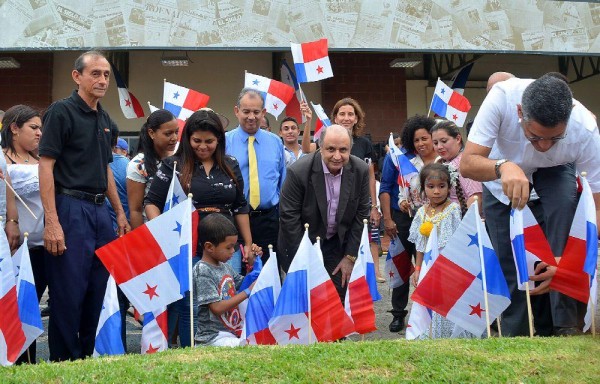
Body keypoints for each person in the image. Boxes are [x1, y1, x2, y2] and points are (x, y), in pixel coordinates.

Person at [460, 73, 600, 336]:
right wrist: (504, 167)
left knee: (562, 232)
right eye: (535, 136)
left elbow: (597, 206)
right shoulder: (501, 98)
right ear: (520, 112)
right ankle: (517, 335)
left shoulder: (586, 129)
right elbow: (467, 164)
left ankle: (566, 326)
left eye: (555, 138)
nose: (544, 146)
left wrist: (570, 259)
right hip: (501, 181)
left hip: (557, 173)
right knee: (509, 265)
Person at [38, 50, 130, 361]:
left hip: (100, 210)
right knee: (68, 291)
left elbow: (105, 169)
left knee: (98, 289)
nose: (102, 79)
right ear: (77, 76)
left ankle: (89, 357)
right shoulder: (60, 112)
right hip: (69, 207)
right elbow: (46, 166)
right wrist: (52, 221)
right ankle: (64, 362)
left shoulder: (105, 119)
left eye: (106, 74)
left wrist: (119, 212)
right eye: (95, 73)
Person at [145, 108, 254, 347]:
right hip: (186, 246)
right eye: (197, 141)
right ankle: (189, 352)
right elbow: (151, 202)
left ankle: (221, 347)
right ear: (187, 139)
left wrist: (247, 243)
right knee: (189, 304)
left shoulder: (230, 164)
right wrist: (161, 233)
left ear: (220, 140)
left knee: (226, 296)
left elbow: (240, 207)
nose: (203, 146)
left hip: (227, 247)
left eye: (210, 141)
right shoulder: (172, 164)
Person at [278, 124, 370, 301]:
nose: (337, 156)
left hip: (336, 243)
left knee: (336, 299)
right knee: (306, 301)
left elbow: (361, 215)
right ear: (320, 148)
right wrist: (306, 261)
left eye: (343, 150)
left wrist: (350, 256)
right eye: (330, 149)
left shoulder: (360, 170)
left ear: (350, 149)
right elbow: (289, 218)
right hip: (302, 244)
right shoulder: (298, 172)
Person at [379, 115, 437, 333]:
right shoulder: (398, 158)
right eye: (416, 140)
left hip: (435, 220)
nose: (421, 144)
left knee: (432, 264)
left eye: (425, 138)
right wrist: (388, 219)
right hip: (403, 219)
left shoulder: (444, 158)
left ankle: (434, 311)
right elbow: (385, 187)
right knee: (402, 266)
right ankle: (398, 314)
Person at [1, 105, 45, 363]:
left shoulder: (42, 161)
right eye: (33, 127)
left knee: (31, 307)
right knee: (13, 307)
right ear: (14, 129)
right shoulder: (2, 160)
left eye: (41, 128)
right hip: (14, 247)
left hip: (43, 246)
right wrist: (12, 221)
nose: (40, 133)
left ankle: (29, 363)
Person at [407, 164, 470, 338]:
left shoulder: (453, 210)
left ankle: (451, 336)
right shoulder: (421, 213)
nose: (436, 191)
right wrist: (418, 269)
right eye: (431, 187)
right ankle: (430, 335)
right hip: (428, 267)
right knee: (429, 301)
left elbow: (457, 243)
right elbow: (420, 245)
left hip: (447, 267)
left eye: (441, 186)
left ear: (450, 187)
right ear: (422, 188)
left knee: (448, 302)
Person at [225, 88, 286, 264]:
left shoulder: (275, 142)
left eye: (256, 112)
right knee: (237, 277)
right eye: (246, 111)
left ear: (263, 113)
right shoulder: (225, 142)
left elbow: (283, 182)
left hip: (268, 221)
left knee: (270, 276)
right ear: (236, 111)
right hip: (234, 221)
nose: (251, 116)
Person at [193, 213, 261, 347]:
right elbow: (217, 308)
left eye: (234, 247)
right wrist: (248, 291)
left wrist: (252, 263)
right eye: (228, 247)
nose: (232, 252)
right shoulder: (203, 270)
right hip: (213, 338)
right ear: (209, 247)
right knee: (248, 347)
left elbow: (242, 285)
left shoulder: (224, 267)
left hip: (230, 333)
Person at [126, 109, 178, 230]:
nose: (174, 138)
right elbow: (136, 210)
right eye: (168, 133)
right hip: (152, 231)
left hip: (179, 227)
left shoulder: (181, 158)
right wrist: (140, 242)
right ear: (151, 133)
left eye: (176, 132)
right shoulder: (138, 165)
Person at [431, 120, 483, 215]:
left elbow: (476, 197)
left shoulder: (465, 162)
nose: (439, 147)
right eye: (435, 143)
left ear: (458, 139)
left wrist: (465, 224)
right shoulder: (440, 162)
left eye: (444, 141)